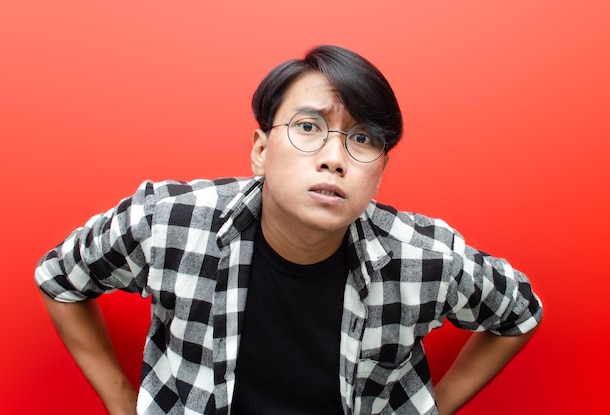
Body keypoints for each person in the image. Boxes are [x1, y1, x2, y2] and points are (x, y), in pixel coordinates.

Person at [35, 45, 543, 415]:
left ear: (380, 172)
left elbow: (520, 312)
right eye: (308, 127)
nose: (333, 158)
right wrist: (123, 402)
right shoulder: (167, 221)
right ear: (260, 150)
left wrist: (434, 407)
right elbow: (60, 277)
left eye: (362, 138)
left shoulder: (424, 257)